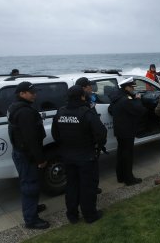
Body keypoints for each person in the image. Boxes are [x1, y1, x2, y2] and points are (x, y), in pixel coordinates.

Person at [51, 85, 107, 224]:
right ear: (82, 97)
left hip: (68, 156)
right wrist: (97, 146)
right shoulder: (86, 113)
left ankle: (72, 215)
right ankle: (90, 215)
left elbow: (55, 134)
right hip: (86, 156)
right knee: (87, 186)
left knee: (71, 186)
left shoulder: (60, 112)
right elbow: (101, 133)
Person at [7, 81, 49, 229]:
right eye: (32, 93)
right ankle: (31, 220)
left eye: (35, 92)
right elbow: (31, 139)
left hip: (21, 152)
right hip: (26, 154)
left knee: (29, 182)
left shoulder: (15, 106)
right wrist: (40, 159)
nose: (35, 95)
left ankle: (32, 208)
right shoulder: (25, 112)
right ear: (22, 94)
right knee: (30, 185)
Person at [108, 77, 147, 186]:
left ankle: (120, 176)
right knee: (128, 155)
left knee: (121, 153)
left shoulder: (117, 97)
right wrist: (138, 99)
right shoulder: (126, 100)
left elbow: (110, 110)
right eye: (131, 87)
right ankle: (129, 179)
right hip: (127, 130)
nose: (133, 89)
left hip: (119, 130)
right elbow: (140, 110)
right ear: (126, 87)